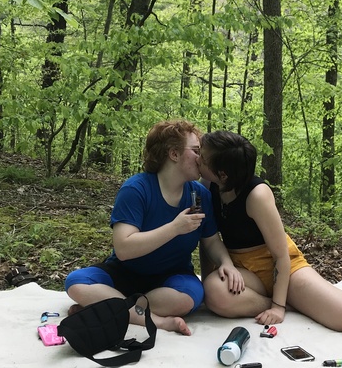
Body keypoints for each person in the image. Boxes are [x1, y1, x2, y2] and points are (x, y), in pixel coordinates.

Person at [65, 120, 244, 335]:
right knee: (76, 283)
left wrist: (227, 263)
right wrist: (175, 227)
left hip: (171, 277)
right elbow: (123, 248)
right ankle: (155, 321)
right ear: (174, 154)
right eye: (196, 151)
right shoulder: (136, 189)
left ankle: (108, 306)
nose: (202, 158)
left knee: (189, 297)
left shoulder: (200, 194)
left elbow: (212, 240)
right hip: (126, 273)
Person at [199, 130, 342, 332]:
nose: (197, 159)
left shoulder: (257, 195)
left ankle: (306, 297)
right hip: (242, 268)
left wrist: (278, 308)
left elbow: (281, 255)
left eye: (203, 158)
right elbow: (207, 239)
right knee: (213, 291)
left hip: (282, 267)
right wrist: (206, 281)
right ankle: (296, 304)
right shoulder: (207, 187)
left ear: (222, 173)